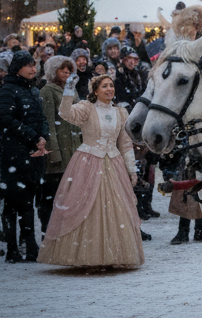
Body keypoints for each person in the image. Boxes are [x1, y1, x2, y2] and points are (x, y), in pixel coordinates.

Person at [37, 73, 144, 268]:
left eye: (111, 85)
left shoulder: (121, 112)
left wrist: (131, 169)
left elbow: (126, 144)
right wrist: (69, 90)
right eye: (104, 86)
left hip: (113, 163)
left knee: (117, 208)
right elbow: (65, 113)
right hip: (88, 162)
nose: (109, 89)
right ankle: (88, 255)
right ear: (95, 91)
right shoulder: (87, 108)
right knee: (86, 206)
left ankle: (114, 254)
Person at [0, 51, 49, 262]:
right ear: (17, 68)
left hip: (33, 154)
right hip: (13, 155)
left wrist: (43, 137)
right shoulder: (8, 90)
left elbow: (42, 117)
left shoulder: (33, 90)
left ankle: (30, 246)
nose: (33, 69)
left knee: (28, 201)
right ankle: (13, 248)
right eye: (28, 65)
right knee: (13, 203)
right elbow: (5, 119)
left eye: (34, 65)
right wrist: (32, 136)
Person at [40, 55, 82, 235]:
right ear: (52, 71)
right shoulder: (47, 91)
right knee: (52, 196)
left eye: (69, 69)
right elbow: (48, 123)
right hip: (58, 152)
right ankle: (48, 232)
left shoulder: (72, 90)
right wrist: (54, 152)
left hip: (74, 149)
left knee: (70, 196)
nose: (66, 72)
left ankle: (65, 233)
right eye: (62, 69)